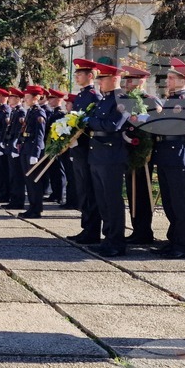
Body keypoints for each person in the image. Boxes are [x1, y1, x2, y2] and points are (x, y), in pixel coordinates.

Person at [151, 58, 185, 259]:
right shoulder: (171, 100)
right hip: (166, 154)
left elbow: (170, 126)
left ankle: (182, 245)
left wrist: (150, 121)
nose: (167, 81)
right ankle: (173, 240)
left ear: (182, 81)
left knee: (179, 203)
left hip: (177, 154)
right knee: (169, 203)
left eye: (171, 78)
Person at [85, 62, 129, 257]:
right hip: (98, 153)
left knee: (112, 200)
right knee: (102, 200)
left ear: (114, 79)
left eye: (103, 78)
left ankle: (117, 242)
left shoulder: (122, 99)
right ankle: (108, 238)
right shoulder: (104, 99)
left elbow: (113, 125)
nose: (99, 82)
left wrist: (91, 121)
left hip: (111, 155)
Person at [67, 59, 103, 244]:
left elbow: (91, 123)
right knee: (82, 189)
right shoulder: (81, 96)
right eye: (76, 74)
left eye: (80, 74)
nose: (77, 77)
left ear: (90, 76)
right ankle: (86, 227)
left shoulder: (94, 96)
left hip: (88, 148)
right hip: (78, 148)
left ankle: (92, 230)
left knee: (90, 190)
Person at [120, 65, 156, 245]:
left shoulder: (150, 101)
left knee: (142, 192)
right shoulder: (125, 100)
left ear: (141, 81)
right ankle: (136, 229)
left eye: (131, 80)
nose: (126, 83)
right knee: (132, 192)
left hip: (143, 153)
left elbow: (155, 125)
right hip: (127, 151)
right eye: (126, 79)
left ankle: (144, 231)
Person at [19, 86, 47, 218]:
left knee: (34, 181)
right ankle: (32, 207)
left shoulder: (39, 113)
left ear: (36, 98)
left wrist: (35, 154)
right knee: (28, 180)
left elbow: (40, 135)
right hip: (26, 148)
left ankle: (36, 209)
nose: (25, 99)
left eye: (28, 97)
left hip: (32, 150)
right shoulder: (30, 111)